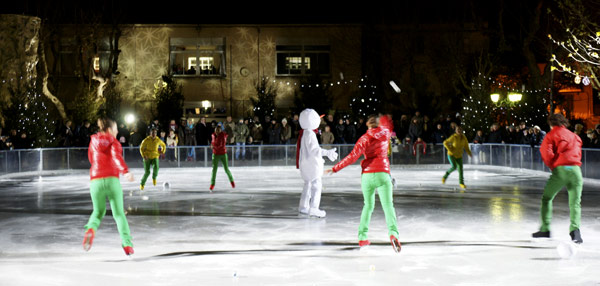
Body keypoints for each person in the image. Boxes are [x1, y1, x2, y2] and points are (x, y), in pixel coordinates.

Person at [325, 115, 401, 252]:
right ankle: (393, 234)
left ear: (368, 125)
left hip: (367, 176)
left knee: (368, 206)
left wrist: (335, 168)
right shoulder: (386, 133)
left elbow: (352, 157)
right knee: (388, 206)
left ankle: (362, 237)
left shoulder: (364, 138)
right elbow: (388, 123)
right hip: (383, 173)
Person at [83, 117, 135, 256]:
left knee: (98, 212)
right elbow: (116, 157)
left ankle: (91, 230)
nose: (117, 131)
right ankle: (127, 244)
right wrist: (125, 171)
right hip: (112, 180)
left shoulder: (93, 140)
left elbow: (91, 158)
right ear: (110, 130)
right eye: (116, 128)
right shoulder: (114, 141)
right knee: (119, 214)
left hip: (95, 181)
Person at [532, 114, 583, 244]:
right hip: (576, 171)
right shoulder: (574, 136)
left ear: (551, 124)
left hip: (561, 170)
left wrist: (554, 166)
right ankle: (575, 231)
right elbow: (578, 151)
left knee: (547, 198)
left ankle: (545, 228)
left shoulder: (551, 135)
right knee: (575, 203)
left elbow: (546, 153)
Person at [297, 109, 338, 218]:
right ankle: (314, 208)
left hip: (306, 165)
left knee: (308, 184)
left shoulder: (305, 133)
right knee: (316, 185)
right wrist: (327, 152)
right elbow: (314, 150)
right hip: (312, 166)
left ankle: (303, 206)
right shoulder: (310, 134)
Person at [210, 126, 235, 190]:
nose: (217, 132)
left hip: (223, 154)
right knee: (214, 170)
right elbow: (213, 142)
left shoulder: (223, 136)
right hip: (215, 154)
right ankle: (212, 184)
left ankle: (232, 181)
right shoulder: (213, 135)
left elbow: (221, 145)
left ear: (221, 131)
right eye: (216, 130)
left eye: (218, 130)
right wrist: (212, 145)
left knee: (226, 169)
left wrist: (213, 146)